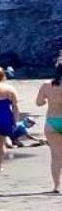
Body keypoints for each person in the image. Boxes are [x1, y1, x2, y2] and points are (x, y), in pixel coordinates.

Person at [38, 66, 62, 194]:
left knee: (56, 156)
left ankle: (57, 186)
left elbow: (39, 102)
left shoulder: (46, 85)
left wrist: (51, 99)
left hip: (52, 121)